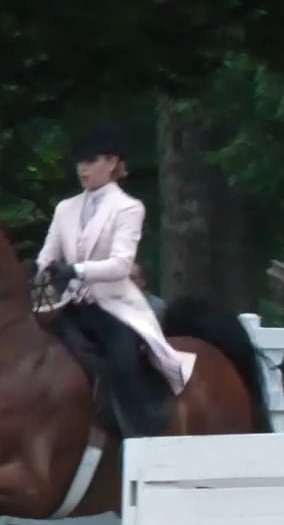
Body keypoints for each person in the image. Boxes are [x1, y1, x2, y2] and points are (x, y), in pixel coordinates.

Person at [35, 126, 196, 438]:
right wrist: (39, 268)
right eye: (79, 161)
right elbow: (48, 254)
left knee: (122, 363)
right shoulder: (64, 208)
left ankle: (141, 432)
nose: (82, 168)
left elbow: (121, 264)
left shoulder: (128, 208)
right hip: (69, 304)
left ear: (111, 163)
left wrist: (77, 270)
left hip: (113, 307)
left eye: (90, 160)